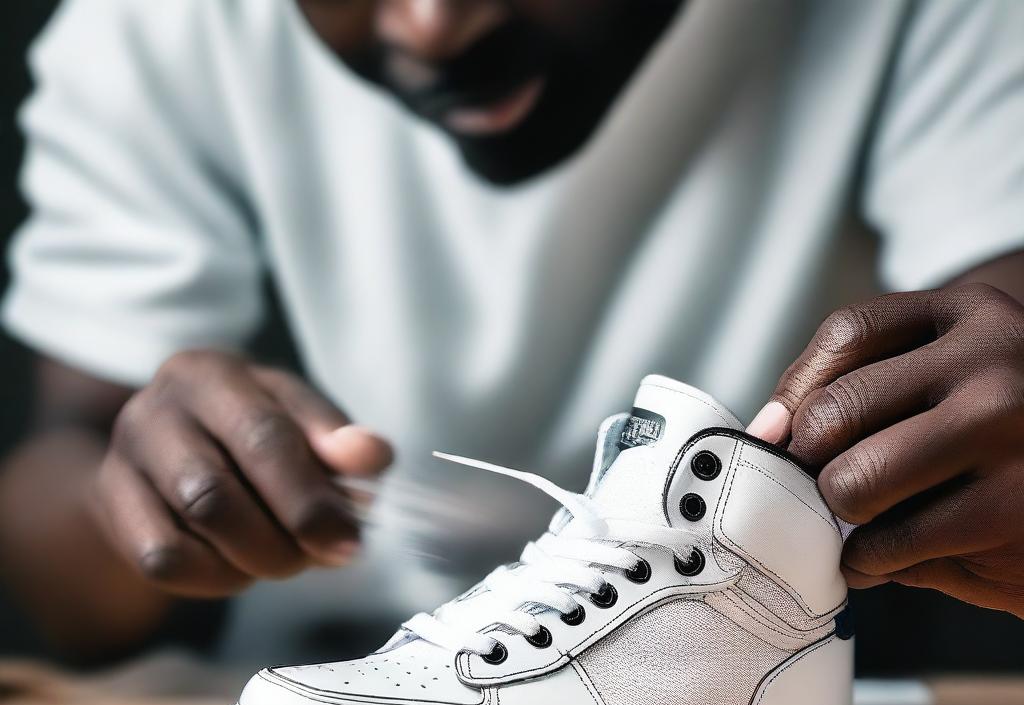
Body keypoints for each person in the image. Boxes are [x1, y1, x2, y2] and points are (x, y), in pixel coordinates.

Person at [2, 0, 1024, 664]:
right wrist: (164, 496)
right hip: (333, 663)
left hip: (784, 663)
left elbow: (997, 369)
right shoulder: (151, 27)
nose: (435, 25)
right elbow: (64, 497)